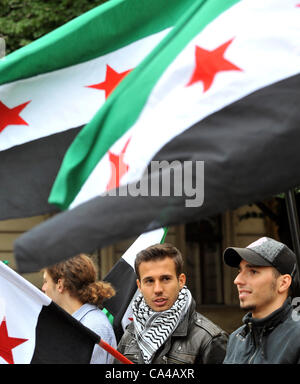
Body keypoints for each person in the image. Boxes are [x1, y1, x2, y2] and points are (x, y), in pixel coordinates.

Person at [116, 243, 228, 364]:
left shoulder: (210, 339)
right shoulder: (131, 332)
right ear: (139, 286)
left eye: (165, 279)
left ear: (181, 281)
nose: (158, 289)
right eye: (149, 281)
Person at [223, 236, 300, 364]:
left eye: (253, 271)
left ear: (283, 283)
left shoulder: (296, 338)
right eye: (240, 270)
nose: (237, 280)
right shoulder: (236, 339)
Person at [42, 253, 117, 364]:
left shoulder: (94, 327)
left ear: (60, 284)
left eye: (46, 281)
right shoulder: (69, 322)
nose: (43, 288)